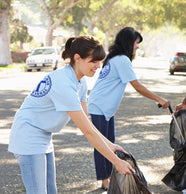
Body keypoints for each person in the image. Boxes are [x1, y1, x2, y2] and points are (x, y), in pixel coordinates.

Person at [8, 36, 135, 194]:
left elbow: (87, 123)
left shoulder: (80, 81)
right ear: (77, 58)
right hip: (28, 135)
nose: (98, 66)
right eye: (93, 61)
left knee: (50, 190)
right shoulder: (63, 83)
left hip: (44, 135)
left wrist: (109, 144)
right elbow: (87, 131)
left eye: (99, 61)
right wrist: (116, 162)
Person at [87, 27, 169, 190]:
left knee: (110, 144)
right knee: (102, 145)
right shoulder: (121, 60)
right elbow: (137, 86)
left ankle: (110, 178)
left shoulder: (115, 58)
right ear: (128, 43)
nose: (137, 47)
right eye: (136, 43)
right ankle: (105, 181)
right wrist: (159, 99)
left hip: (104, 108)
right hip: (99, 106)